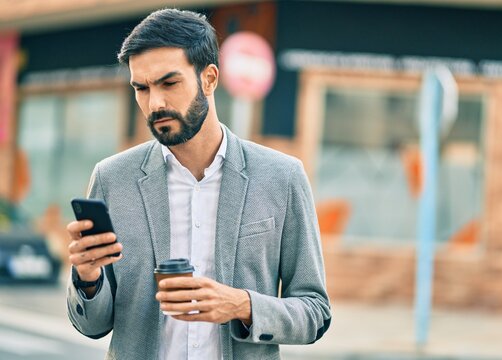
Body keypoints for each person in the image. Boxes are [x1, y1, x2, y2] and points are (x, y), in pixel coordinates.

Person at [66, 8, 331, 360]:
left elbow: (315, 312)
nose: (155, 103)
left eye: (169, 83)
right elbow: (93, 325)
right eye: (141, 88)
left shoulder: (281, 177)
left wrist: (242, 305)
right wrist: (87, 278)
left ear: (209, 79)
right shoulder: (113, 179)